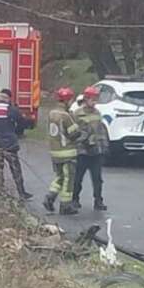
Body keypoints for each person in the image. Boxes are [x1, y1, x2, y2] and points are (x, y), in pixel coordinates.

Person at [43, 87, 86, 215]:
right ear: (67, 100)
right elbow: (74, 133)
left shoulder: (52, 113)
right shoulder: (66, 116)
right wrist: (79, 127)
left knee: (60, 177)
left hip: (55, 151)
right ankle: (65, 205)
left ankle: (50, 197)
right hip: (67, 152)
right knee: (69, 179)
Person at [0, 89, 33, 199]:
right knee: (15, 169)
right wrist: (17, 132)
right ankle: (21, 192)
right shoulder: (11, 110)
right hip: (10, 144)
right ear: (8, 98)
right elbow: (22, 123)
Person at [74, 86, 109, 210]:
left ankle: (98, 201)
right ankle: (75, 199)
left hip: (96, 151)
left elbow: (101, 131)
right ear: (86, 99)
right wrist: (83, 142)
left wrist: (104, 147)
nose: (94, 102)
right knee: (78, 177)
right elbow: (74, 133)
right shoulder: (77, 114)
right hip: (82, 151)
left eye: (96, 99)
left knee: (97, 179)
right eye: (92, 99)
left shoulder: (97, 113)